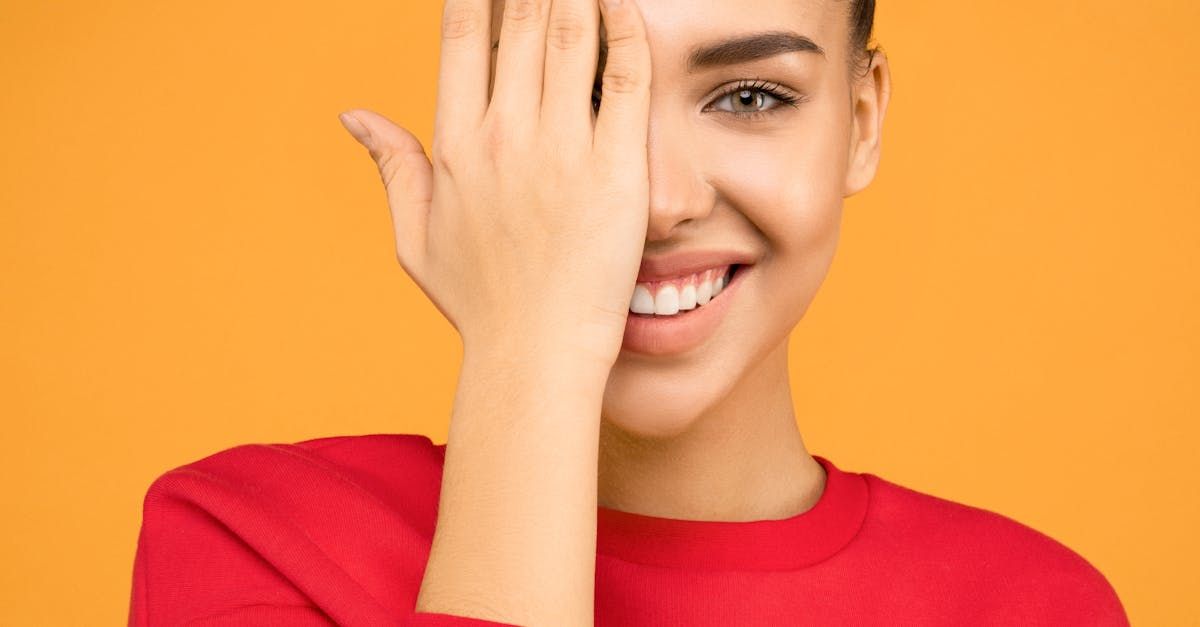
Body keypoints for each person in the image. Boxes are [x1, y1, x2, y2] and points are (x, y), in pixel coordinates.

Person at [128, 0, 1130, 625]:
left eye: (747, 97)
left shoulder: (1031, 608)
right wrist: (530, 348)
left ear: (860, 123)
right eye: (587, 93)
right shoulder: (251, 540)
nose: (655, 200)